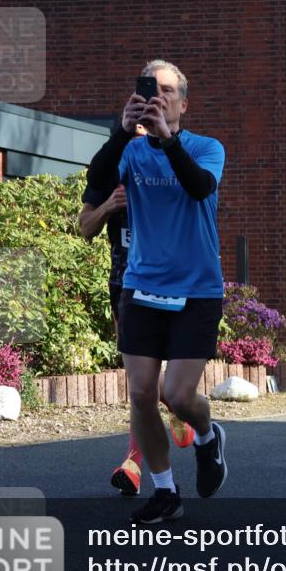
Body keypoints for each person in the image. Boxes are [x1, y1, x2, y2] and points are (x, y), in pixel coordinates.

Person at [86, 59, 227, 523]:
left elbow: (198, 186)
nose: (157, 97)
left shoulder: (207, 148)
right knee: (142, 394)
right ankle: (166, 490)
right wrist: (120, 134)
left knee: (178, 396)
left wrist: (166, 138)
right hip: (142, 286)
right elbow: (96, 185)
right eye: (149, 89)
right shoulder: (130, 151)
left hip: (197, 290)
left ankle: (208, 435)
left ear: (184, 102)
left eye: (167, 90)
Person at [78, 125, 196, 497]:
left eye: (147, 134)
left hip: (170, 283)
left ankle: (133, 462)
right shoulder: (110, 172)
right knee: (139, 381)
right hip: (125, 283)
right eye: (133, 134)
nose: (140, 142)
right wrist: (109, 206)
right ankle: (176, 408)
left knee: (142, 383)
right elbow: (84, 227)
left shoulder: (170, 169)